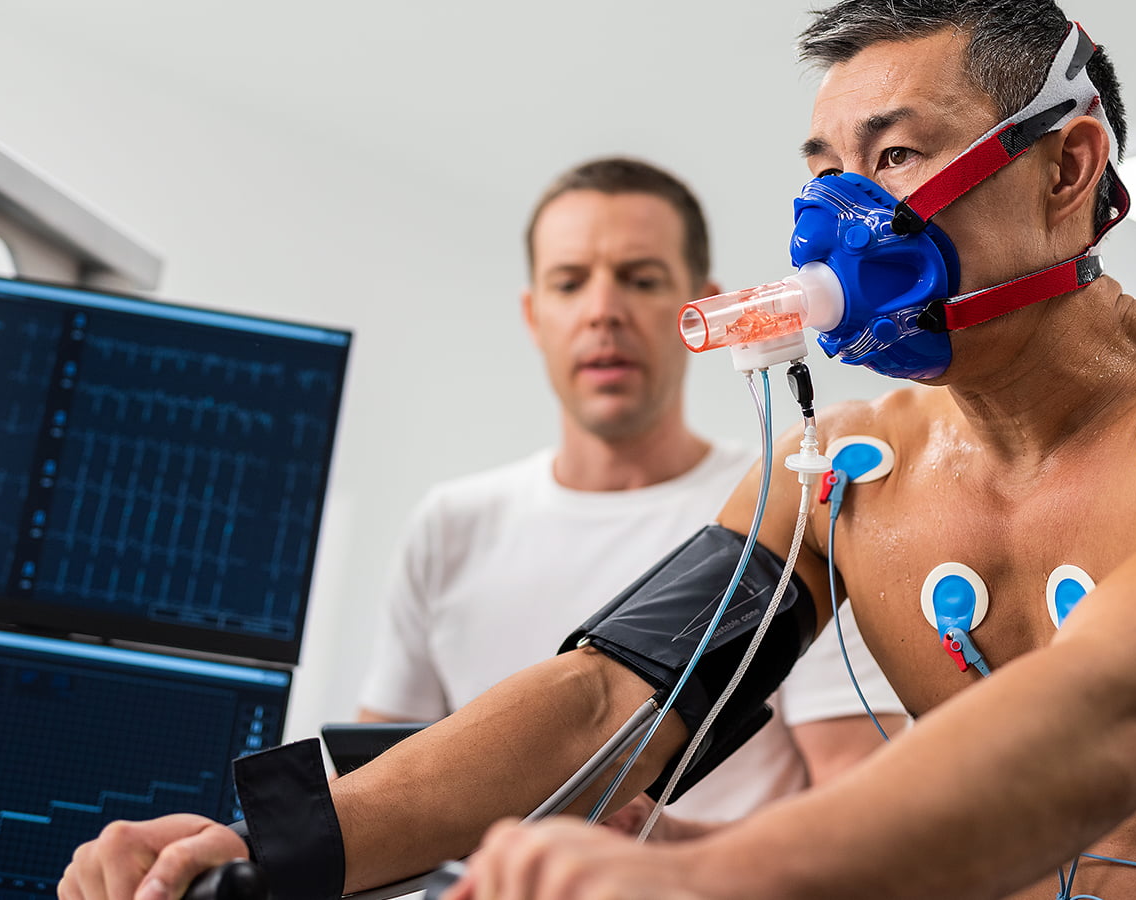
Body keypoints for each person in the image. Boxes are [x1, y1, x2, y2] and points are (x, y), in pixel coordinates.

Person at [60, 3, 1136, 899]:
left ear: (1069, 168)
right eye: (823, 167)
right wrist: (277, 848)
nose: (842, 212)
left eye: (893, 155)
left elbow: (1130, 701)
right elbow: (608, 700)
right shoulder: (840, 478)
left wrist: (723, 875)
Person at [354, 157, 906, 830]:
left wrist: (669, 853)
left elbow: (864, 810)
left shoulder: (796, 512)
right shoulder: (449, 528)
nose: (603, 312)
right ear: (533, 315)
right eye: (569, 282)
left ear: (702, 303)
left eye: (641, 280)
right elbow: (376, 782)